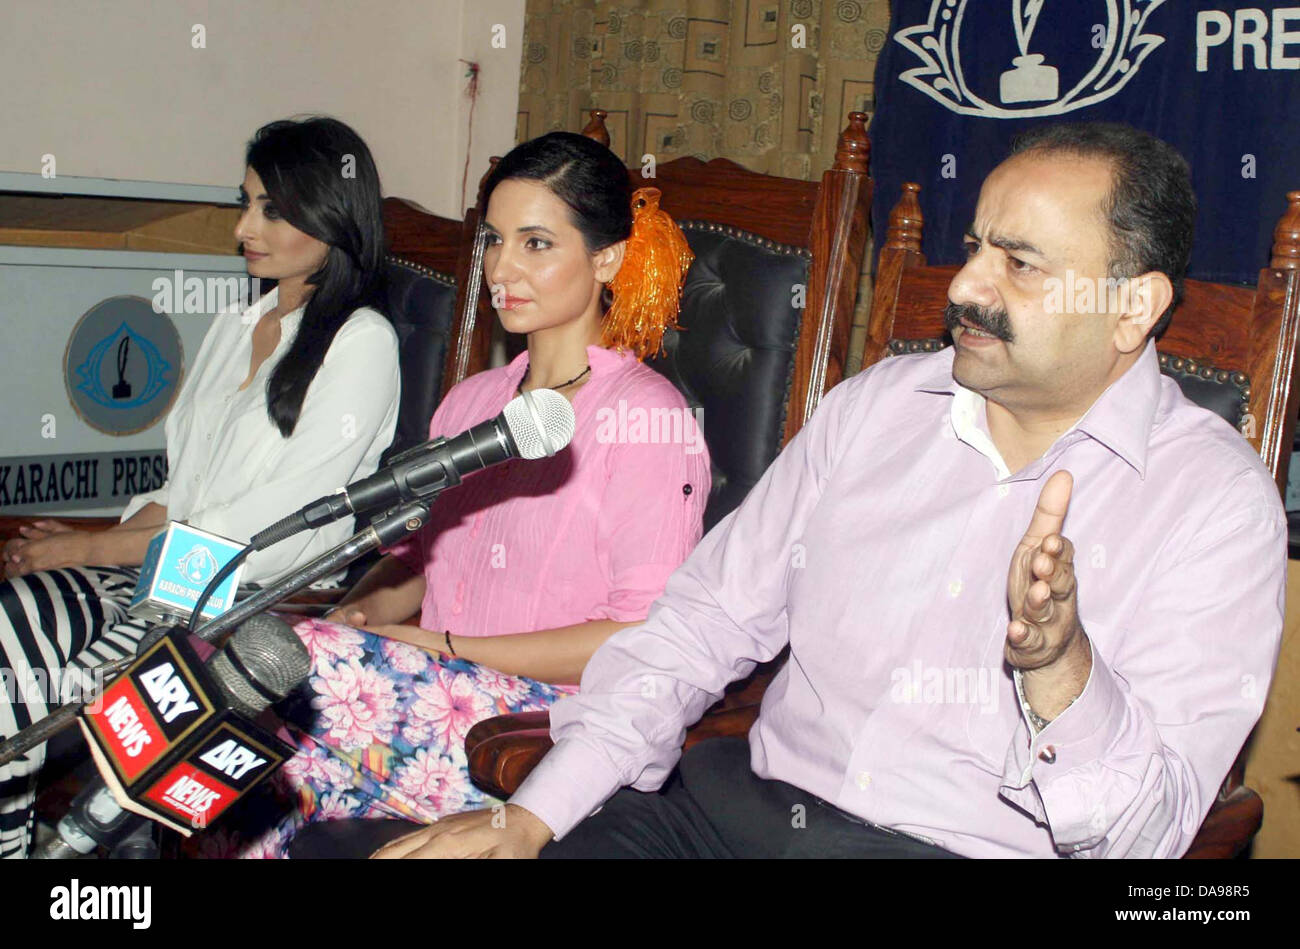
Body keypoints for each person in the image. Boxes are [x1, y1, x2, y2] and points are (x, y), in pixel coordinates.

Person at [319, 122, 1286, 860]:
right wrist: (533, 815)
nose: (966, 286)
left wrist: (1064, 672)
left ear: (1132, 309)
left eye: (1019, 264)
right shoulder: (879, 408)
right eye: (978, 245)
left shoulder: (1213, 506)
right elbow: (695, 627)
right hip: (730, 816)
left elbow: (1152, 834)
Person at [195, 131, 711, 858]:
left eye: (536, 244)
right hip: (418, 690)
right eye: (495, 241)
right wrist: (366, 610)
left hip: (539, 732)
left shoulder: (649, 420)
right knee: (231, 692)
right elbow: (417, 556)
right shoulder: (472, 402)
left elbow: (638, 639)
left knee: (291, 673)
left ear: (607, 259)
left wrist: (435, 645)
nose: (502, 268)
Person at [0, 116, 401, 858]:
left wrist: (89, 545)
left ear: (330, 216)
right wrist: (79, 545)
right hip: (151, 573)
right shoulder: (234, 323)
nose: (246, 227)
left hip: (240, 604)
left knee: (53, 676)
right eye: (245, 203)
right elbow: (179, 489)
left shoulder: (361, 344)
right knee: (8, 632)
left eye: (271, 210)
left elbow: (259, 537)